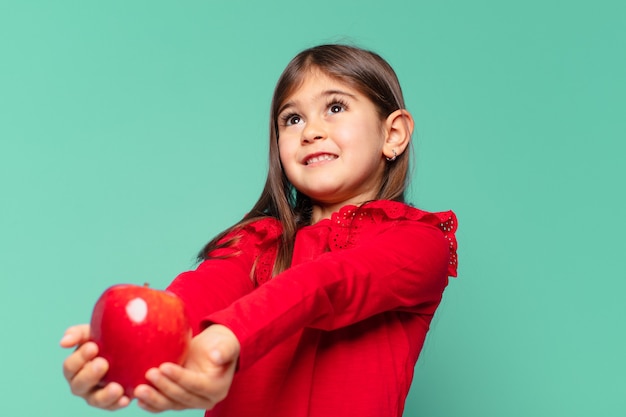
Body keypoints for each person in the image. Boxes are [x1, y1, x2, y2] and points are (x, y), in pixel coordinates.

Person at [60, 44, 458, 417]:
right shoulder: (258, 242)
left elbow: (329, 283)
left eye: (335, 107)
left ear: (394, 134)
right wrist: (133, 348)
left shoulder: (420, 242)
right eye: (292, 118)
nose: (310, 131)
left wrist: (228, 339)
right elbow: (202, 291)